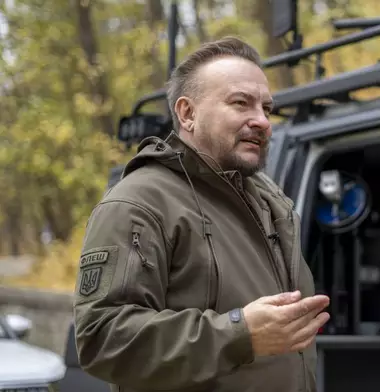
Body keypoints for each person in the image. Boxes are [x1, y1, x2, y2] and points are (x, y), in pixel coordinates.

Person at [73, 36, 330, 392]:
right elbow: (102, 339)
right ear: (187, 113)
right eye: (241, 103)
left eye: (266, 109)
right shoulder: (137, 203)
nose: (262, 121)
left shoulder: (273, 204)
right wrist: (241, 333)